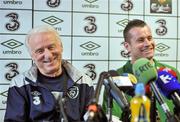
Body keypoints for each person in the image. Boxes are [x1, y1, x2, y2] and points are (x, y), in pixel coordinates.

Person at [4, 25, 94, 122]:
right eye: (40, 51)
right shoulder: (19, 84)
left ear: (61, 47)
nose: (48, 55)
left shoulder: (84, 82)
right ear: (32, 56)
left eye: (51, 47)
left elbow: (92, 119)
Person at [102, 19, 180, 122]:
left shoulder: (171, 72)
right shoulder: (115, 79)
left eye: (149, 38)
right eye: (141, 40)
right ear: (127, 46)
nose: (148, 43)